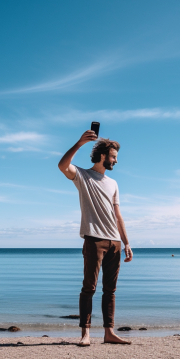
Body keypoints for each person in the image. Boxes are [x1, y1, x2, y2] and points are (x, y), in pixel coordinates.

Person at [58, 130, 133, 347]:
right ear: (102, 156)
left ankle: (109, 333)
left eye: (116, 157)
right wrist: (80, 143)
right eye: (113, 157)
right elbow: (62, 165)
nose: (115, 161)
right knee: (89, 288)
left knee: (110, 290)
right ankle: (86, 334)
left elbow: (118, 215)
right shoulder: (82, 175)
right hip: (94, 240)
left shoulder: (114, 183)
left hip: (115, 242)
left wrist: (127, 242)